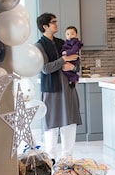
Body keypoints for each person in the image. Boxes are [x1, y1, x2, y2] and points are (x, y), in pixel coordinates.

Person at [34, 12, 81, 160]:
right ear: (45, 26)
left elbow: (76, 62)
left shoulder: (63, 43)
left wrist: (72, 68)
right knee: (51, 126)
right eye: (53, 22)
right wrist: (62, 60)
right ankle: (51, 161)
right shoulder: (39, 46)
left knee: (69, 125)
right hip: (52, 91)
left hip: (68, 89)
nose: (57, 24)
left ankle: (67, 160)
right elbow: (45, 68)